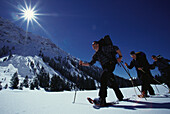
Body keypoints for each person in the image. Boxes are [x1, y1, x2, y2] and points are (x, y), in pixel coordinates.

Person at [79, 39, 124, 106]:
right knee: (112, 81)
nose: (94, 47)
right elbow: (90, 63)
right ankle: (120, 97)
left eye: (95, 45)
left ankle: (102, 99)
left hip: (111, 64)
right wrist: (82, 64)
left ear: (98, 45)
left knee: (103, 77)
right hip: (106, 68)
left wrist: (120, 56)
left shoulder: (104, 48)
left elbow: (116, 48)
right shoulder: (96, 55)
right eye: (93, 46)